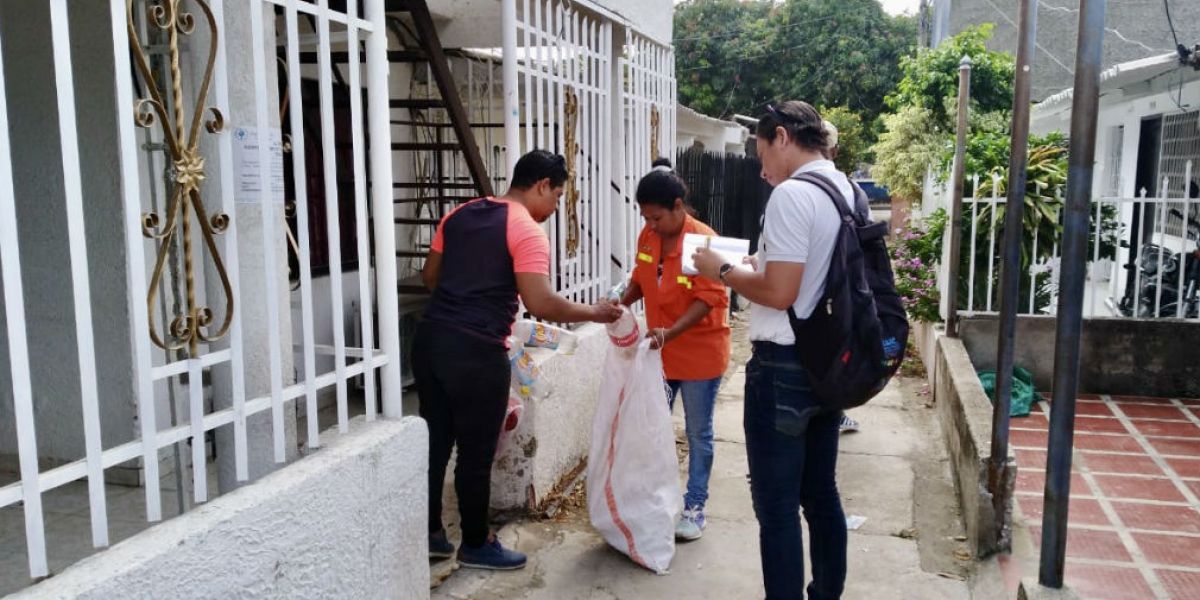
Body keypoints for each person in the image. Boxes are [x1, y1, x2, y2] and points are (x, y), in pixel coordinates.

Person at [417, 150, 622, 571]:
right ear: (543, 185)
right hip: (477, 351)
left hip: (430, 341)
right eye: (558, 195)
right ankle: (476, 542)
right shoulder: (526, 230)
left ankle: (432, 535)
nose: (555, 207)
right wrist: (595, 313)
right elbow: (539, 300)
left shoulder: (458, 215)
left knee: (436, 442)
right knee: (476, 452)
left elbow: (430, 278)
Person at [693, 100, 851, 599]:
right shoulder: (843, 187)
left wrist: (719, 268)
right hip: (828, 362)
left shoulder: (791, 195)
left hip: (783, 364)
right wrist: (762, 262)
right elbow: (817, 269)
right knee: (820, 495)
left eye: (761, 155)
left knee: (777, 506)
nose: (762, 172)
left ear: (782, 137)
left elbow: (780, 293)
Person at [619, 162, 731, 541]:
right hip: (660, 354)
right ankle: (653, 500)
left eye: (656, 217)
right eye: (645, 217)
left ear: (678, 207)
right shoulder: (648, 237)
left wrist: (670, 332)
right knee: (653, 427)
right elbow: (641, 278)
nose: (650, 225)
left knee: (699, 433)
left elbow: (709, 299)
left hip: (699, 353)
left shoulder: (703, 241)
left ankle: (695, 506)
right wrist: (620, 303)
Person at [820, 120, 861, 436]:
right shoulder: (851, 190)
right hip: (846, 295)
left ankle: (835, 412)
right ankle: (837, 411)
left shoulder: (795, 190)